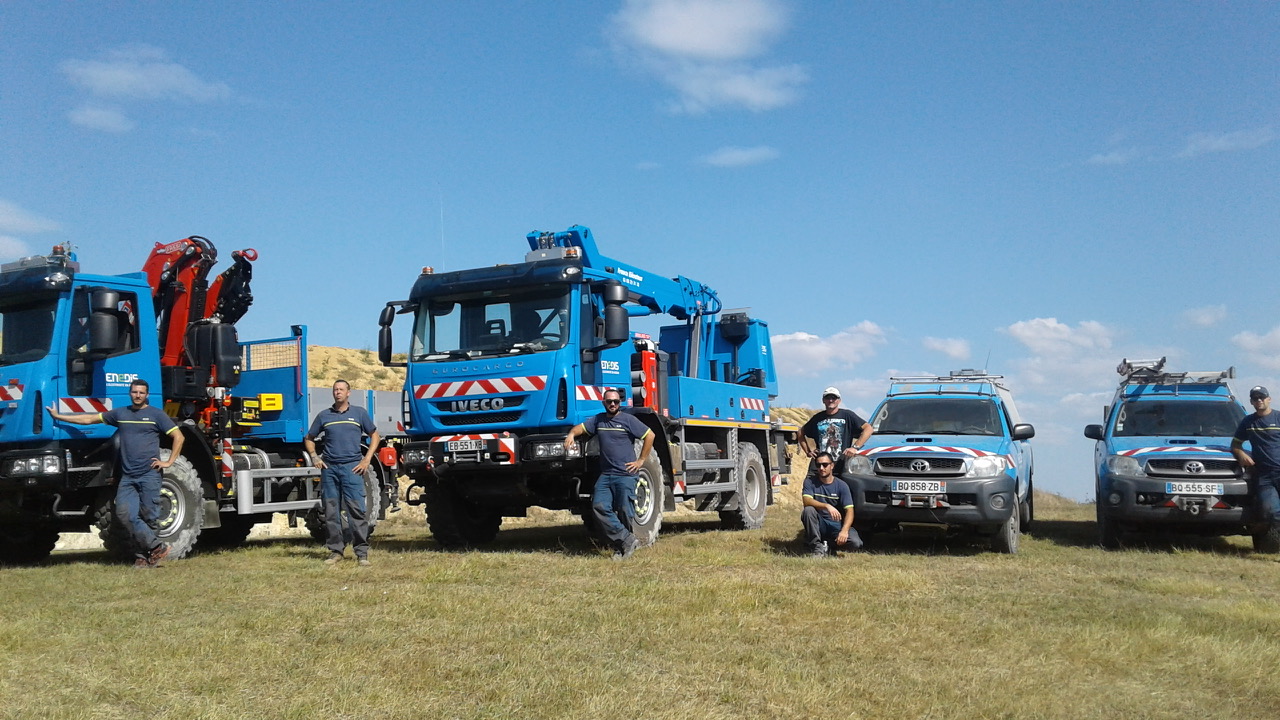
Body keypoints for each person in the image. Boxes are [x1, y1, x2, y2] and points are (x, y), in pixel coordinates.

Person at [46, 378, 184, 568]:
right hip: (127, 476)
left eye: (141, 392)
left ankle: (143, 557)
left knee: (149, 517)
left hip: (149, 474)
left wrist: (169, 461)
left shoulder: (156, 415)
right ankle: (156, 546)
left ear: (147, 395)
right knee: (125, 515)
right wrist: (59, 416)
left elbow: (178, 436)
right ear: (130, 393)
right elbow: (89, 419)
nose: (138, 395)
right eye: (135, 392)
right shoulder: (121, 413)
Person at [563, 387, 655, 559]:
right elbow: (580, 428)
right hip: (606, 475)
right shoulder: (598, 420)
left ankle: (622, 548)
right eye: (609, 401)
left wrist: (641, 461)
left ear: (620, 403)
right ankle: (626, 540)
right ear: (603, 402)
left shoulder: (628, 420)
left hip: (626, 474)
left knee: (624, 510)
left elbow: (650, 435)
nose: (612, 404)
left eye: (615, 401)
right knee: (599, 506)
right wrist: (571, 435)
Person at [305, 379, 381, 567]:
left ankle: (361, 553)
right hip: (329, 469)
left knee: (356, 511)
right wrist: (315, 457)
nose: (337, 392)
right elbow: (309, 438)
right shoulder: (324, 416)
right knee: (331, 512)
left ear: (349, 393)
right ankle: (335, 551)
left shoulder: (359, 413)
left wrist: (366, 459)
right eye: (335, 390)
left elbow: (375, 436)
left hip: (352, 468)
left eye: (341, 389)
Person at [1231, 385, 1280, 533]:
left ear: (1269, 399)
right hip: (1264, 475)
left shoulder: (1278, 418)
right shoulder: (1248, 422)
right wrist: (1240, 454)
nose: (1259, 401)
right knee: (1270, 512)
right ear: (1251, 402)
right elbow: (1235, 444)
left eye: (1262, 397)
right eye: (1255, 398)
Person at [799, 386, 874, 475]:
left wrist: (855, 447)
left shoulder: (847, 415)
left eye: (834, 398)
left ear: (839, 400)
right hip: (820, 466)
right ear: (823, 400)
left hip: (841, 465)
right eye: (828, 398)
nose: (830, 400)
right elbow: (800, 432)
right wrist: (808, 451)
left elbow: (868, 429)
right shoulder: (817, 418)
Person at [801, 452, 863, 557]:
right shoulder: (810, 482)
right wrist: (827, 506)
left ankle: (829, 545)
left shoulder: (842, 486)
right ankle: (816, 547)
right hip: (819, 523)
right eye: (818, 465)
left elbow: (850, 511)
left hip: (836, 525)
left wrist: (844, 531)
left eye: (825, 465)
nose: (821, 468)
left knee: (856, 543)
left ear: (832, 466)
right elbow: (806, 501)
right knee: (808, 510)